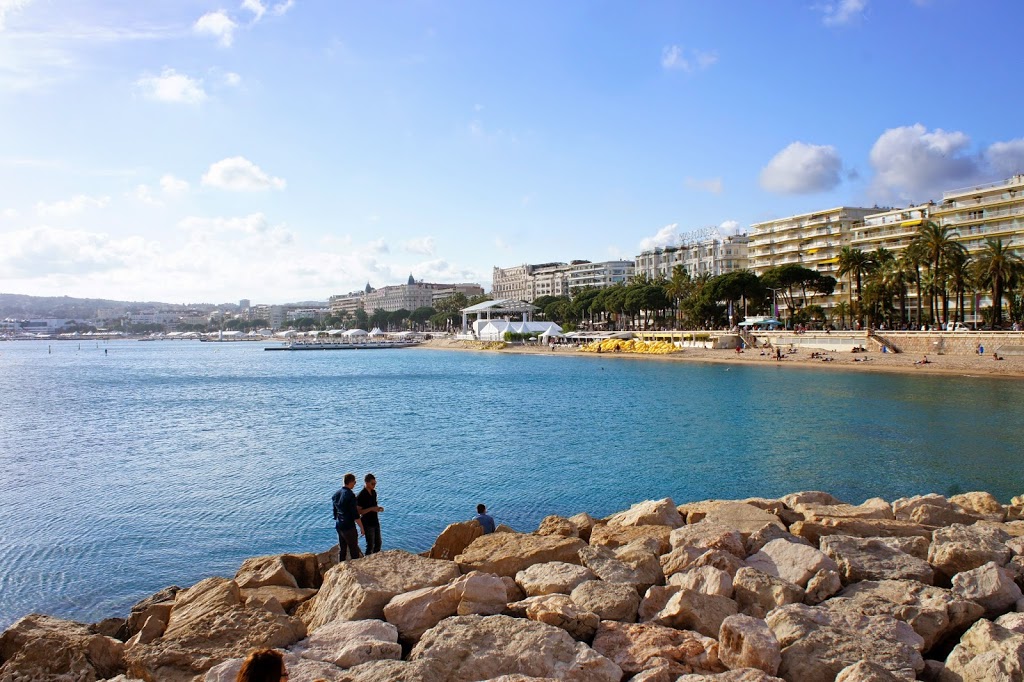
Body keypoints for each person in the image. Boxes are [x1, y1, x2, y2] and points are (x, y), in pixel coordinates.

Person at [332, 473, 364, 561]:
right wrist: (362, 527)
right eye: (354, 482)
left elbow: (335, 512)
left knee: (342, 549)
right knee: (354, 549)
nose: (355, 484)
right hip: (349, 526)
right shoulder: (350, 495)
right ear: (350, 482)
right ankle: (356, 569)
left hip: (339, 525)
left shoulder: (336, 495)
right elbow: (355, 515)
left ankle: (340, 566)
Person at [356, 473, 384, 555]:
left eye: (375, 483)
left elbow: (374, 505)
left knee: (378, 543)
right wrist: (371, 509)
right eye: (372, 484)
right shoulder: (361, 495)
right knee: (370, 545)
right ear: (366, 483)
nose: (374, 485)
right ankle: (368, 561)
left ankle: (376, 559)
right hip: (367, 523)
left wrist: (378, 509)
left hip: (375, 521)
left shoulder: (374, 493)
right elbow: (359, 512)